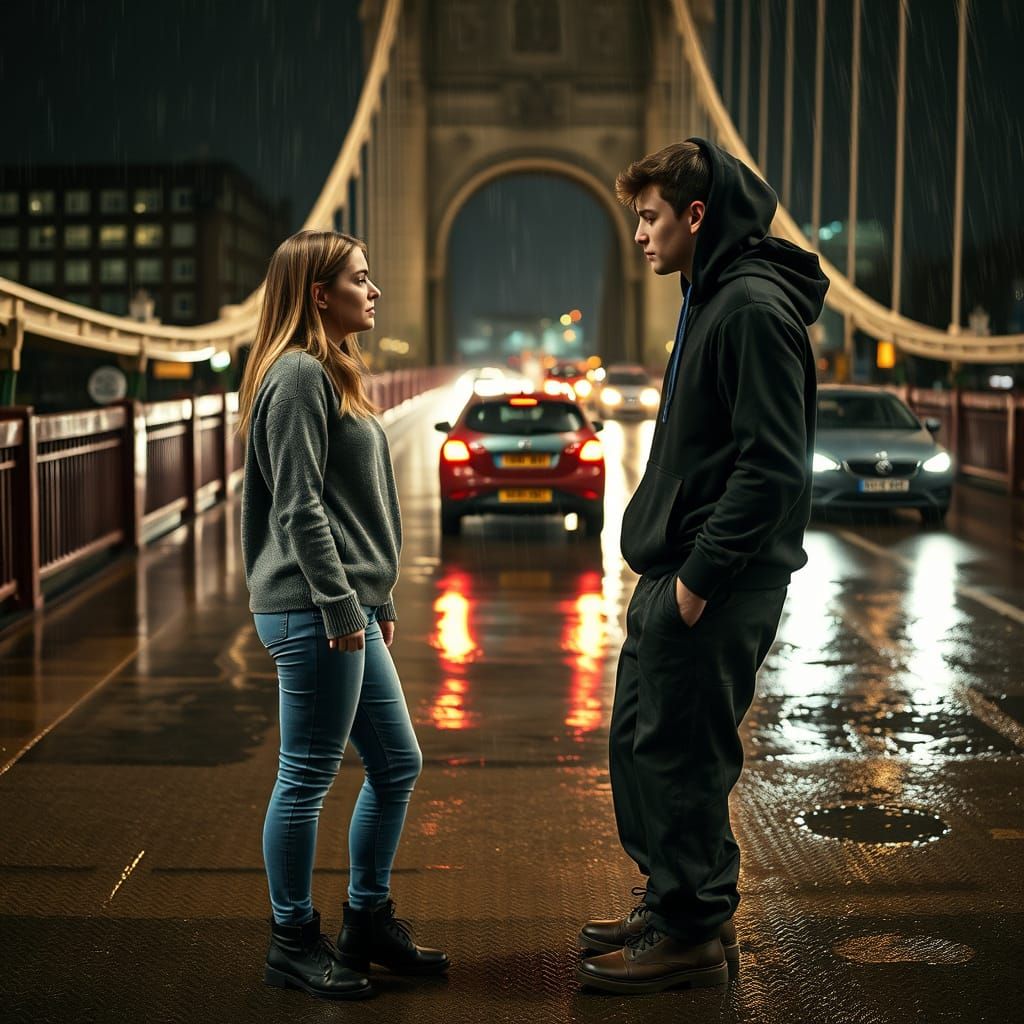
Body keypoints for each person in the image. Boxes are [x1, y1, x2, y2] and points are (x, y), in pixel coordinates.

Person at [577, 139, 828, 994]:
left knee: (685, 756)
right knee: (641, 743)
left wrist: (696, 582)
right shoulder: (707, 295)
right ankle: (670, 896)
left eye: (649, 218)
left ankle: (689, 933)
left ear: (694, 215)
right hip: (676, 567)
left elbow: (772, 468)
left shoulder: (752, 307)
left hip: (715, 579)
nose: (639, 235)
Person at [238, 230, 449, 1002]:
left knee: (397, 763)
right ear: (317, 293)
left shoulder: (337, 370)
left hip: (346, 604)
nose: (375, 290)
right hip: (311, 608)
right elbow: (298, 506)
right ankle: (291, 940)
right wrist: (338, 602)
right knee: (306, 777)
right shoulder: (296, 376)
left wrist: (377, 597)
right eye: (361, 278)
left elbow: (360, 505)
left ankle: (366, 921)